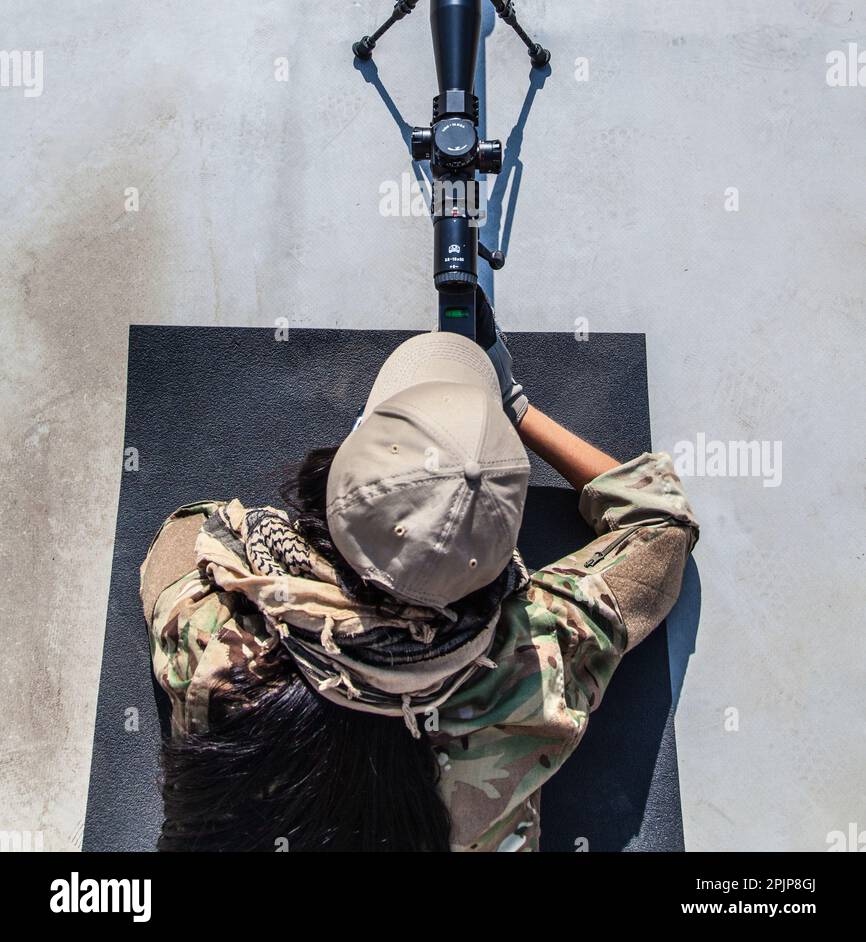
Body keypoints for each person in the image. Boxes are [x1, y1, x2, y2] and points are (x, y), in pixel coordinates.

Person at [141, 293, 698, 852]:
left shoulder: (212, 632)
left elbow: (186, 534)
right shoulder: (539, 659)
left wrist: (361, 484)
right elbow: (658, 517)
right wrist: (515, 406)